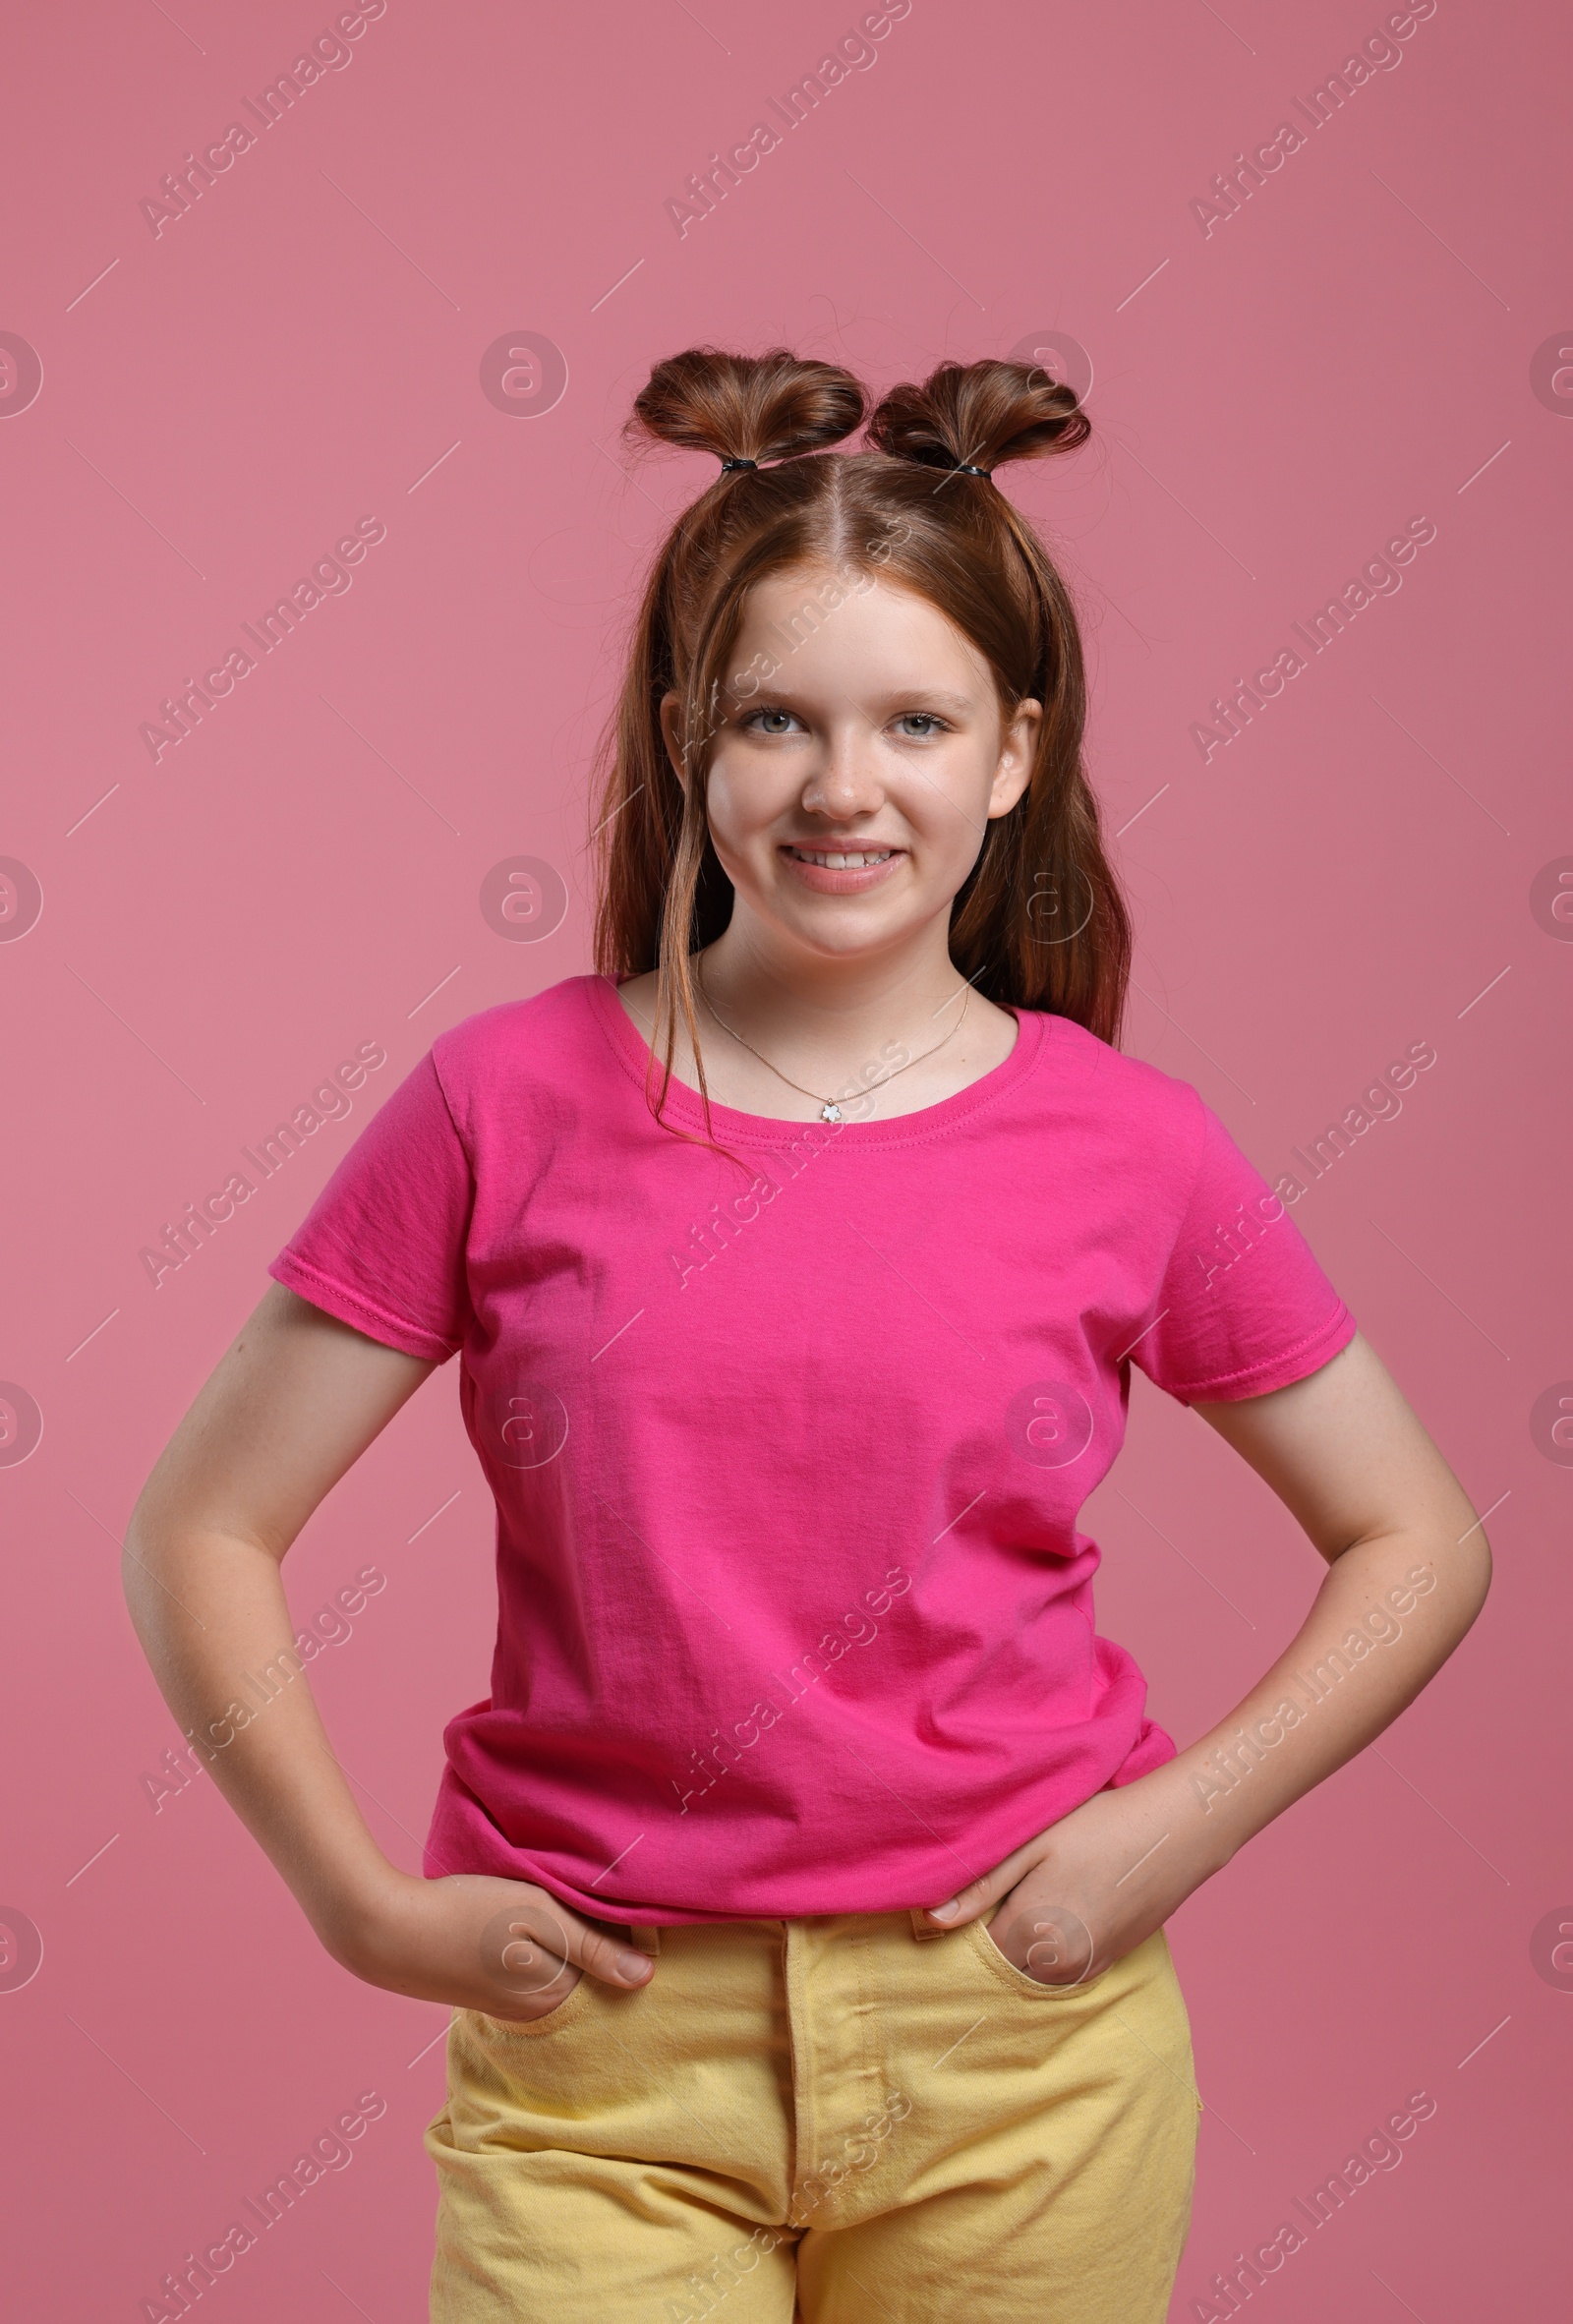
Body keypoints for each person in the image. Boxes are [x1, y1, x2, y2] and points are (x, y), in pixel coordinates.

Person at [123, 349, 1490, 2324]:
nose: (844, 790)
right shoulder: (500, 1104)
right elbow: (200, 1524)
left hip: (1021, 2063)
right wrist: (357, 1905)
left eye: (913, 723)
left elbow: (1416, 1539)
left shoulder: (1126, 1143)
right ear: (689, 735)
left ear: (1009, 755)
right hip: (602, 2061)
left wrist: (1159, 1839)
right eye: (777, 720)